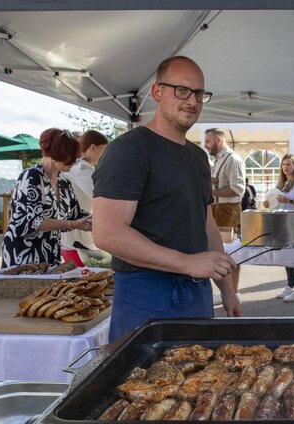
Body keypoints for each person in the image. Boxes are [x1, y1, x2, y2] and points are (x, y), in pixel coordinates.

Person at [92, 56, 242, 343]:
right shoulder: (130, 150)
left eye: (199, 93)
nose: (192, 101)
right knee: (143, 385)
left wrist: (226, 290)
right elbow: (107, 233)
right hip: (145, 297)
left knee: (203, 382)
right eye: (182, 90)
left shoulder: (198, 157)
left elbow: (207, 225)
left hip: (197, 295)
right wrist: (187, 263)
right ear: (157, 92)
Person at [1, 128, 92, 268]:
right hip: (24, 253)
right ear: (56, 154)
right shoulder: (31, 177)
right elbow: (35, 222)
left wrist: (101, 222)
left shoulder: (64, 181)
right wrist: (73, 224)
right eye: (71, 157)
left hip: (50, 251)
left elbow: (76, 214)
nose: (75, 161)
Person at [204, 128, 246, 305]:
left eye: (208, 141)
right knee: (219, 252)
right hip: (218, 208)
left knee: (229, 252)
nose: (206, 145)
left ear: (219, 140)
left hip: (228, 210)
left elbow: (238, 189)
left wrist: (210, 191)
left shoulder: (233, 159)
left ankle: (233, 293)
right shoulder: (220, 158)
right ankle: (226, 291)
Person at [264, 154, 294, 302]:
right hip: (283, 221)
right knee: (287, 256)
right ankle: (290, 286)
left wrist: (288, 199)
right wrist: (268, 203)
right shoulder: (282, 183)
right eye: (283, 164)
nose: (286, 167)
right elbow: (277, 203)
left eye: (289, 164)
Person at [62, 130, 109, 263]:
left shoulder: (80, 167)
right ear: (92, 148)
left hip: (74, 233)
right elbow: (100, 195)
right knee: (83, 278)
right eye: (103, 150)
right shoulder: (82, 169)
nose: (104, 155)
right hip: (76, 237)